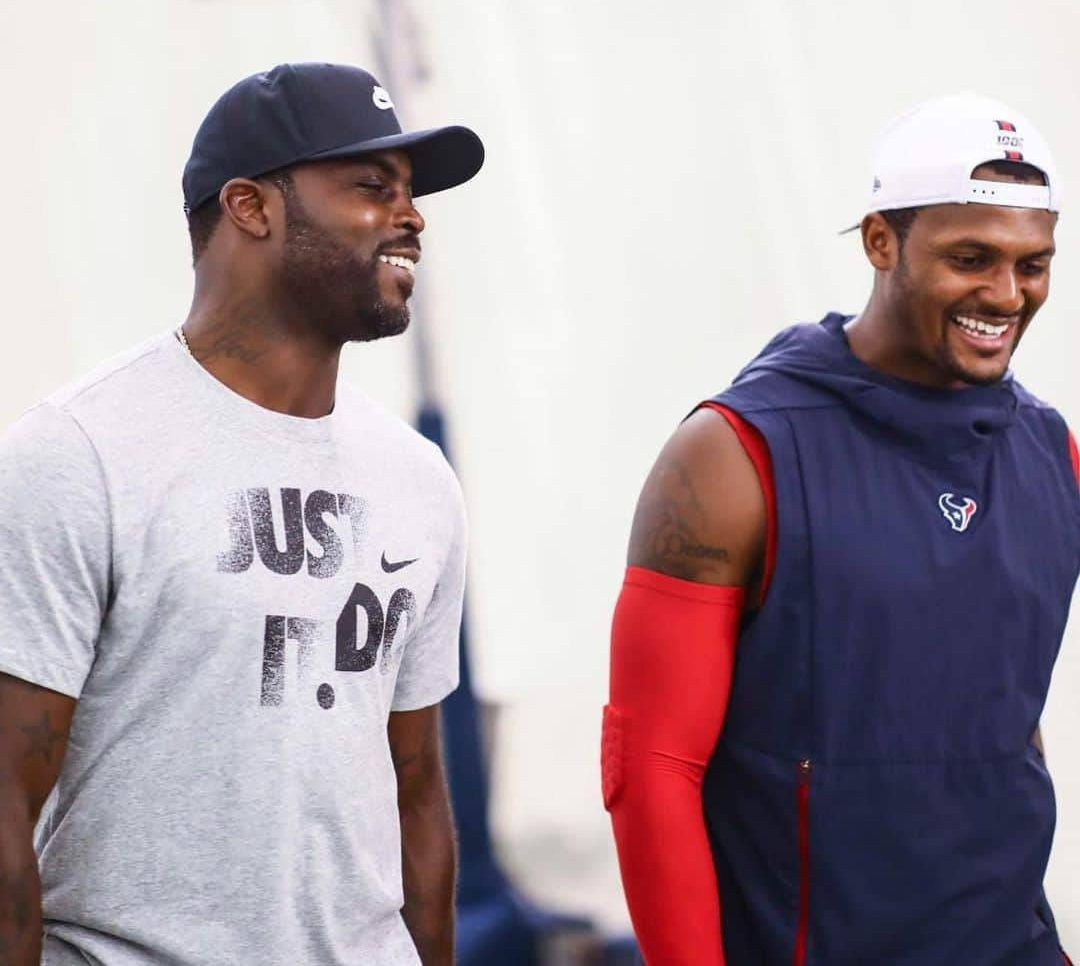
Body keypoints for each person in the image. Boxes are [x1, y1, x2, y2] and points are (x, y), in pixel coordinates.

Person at [0, 62, 484, 965]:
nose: (412, 218)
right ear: (251, 208)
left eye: (412, 195)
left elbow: (415, 794)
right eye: (373, 188)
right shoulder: (80, 454)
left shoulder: (419, 481)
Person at [604, 92, 1079, 964]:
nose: (1006, 294)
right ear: (880, 241)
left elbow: (1005, 727)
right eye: (971, 258)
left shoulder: (1053, 450)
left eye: (1034, 264)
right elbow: (652, 769)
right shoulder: (732, 455)